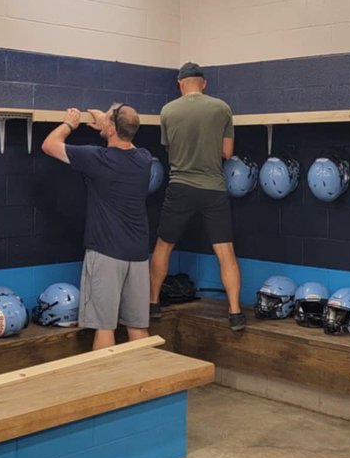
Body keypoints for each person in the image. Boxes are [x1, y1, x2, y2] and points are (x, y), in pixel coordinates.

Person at [41, 104, 152, 350]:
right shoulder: (144, 159)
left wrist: (69, 124)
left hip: (106, 253)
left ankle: (106, 377)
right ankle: (146, 375)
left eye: (108, 119)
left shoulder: (97, 158)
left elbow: (49, 145)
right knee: (137, 327)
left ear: (111, 129)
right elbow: (126, 141)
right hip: (138, 255)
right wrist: (108, 123)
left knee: (104, 327)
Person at [150, 62, 245, 331]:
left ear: (180, 84)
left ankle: (153, 303)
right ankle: (235, 312)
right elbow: (227, 153)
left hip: (180, 186)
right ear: (204, 83)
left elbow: (170, 149)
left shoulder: (168, 111)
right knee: (225, 251)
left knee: (163, 246)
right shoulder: (222, 108)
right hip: (213, 187)